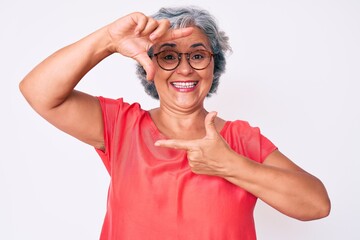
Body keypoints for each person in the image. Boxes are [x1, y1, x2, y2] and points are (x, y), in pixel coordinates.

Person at [19, 6, 330, 240]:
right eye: (168, 57)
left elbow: (317, 204)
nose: (184, 70)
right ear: (149, 66)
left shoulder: (239, 139)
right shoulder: (121, 125)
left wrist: (229, 164)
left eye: (197, 56)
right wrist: (109, 40)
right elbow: (38, 91)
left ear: (214, 66)